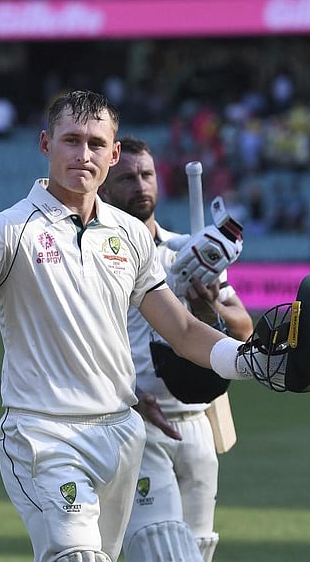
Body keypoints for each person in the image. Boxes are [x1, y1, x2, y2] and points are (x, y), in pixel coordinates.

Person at [0, 90, 310, 562]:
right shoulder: (10, 228)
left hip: (121, 434)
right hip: (43, 433)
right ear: (46, 144)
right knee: (76, 555)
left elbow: (182, 330)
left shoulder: (128, 235)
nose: (82, 155)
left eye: (95, 143)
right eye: (70, 141)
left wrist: (248, 361)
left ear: (114, 152)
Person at [99, 136, 254, 562]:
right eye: (127, 177)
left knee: (199, 547)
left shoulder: (189, 248)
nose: (140, 185)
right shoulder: (97, 256)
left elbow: (243, 327)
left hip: (197, 420)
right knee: (161, 548)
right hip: (136, 419)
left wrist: (210, 307)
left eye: (146, 174)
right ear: (105, 189)